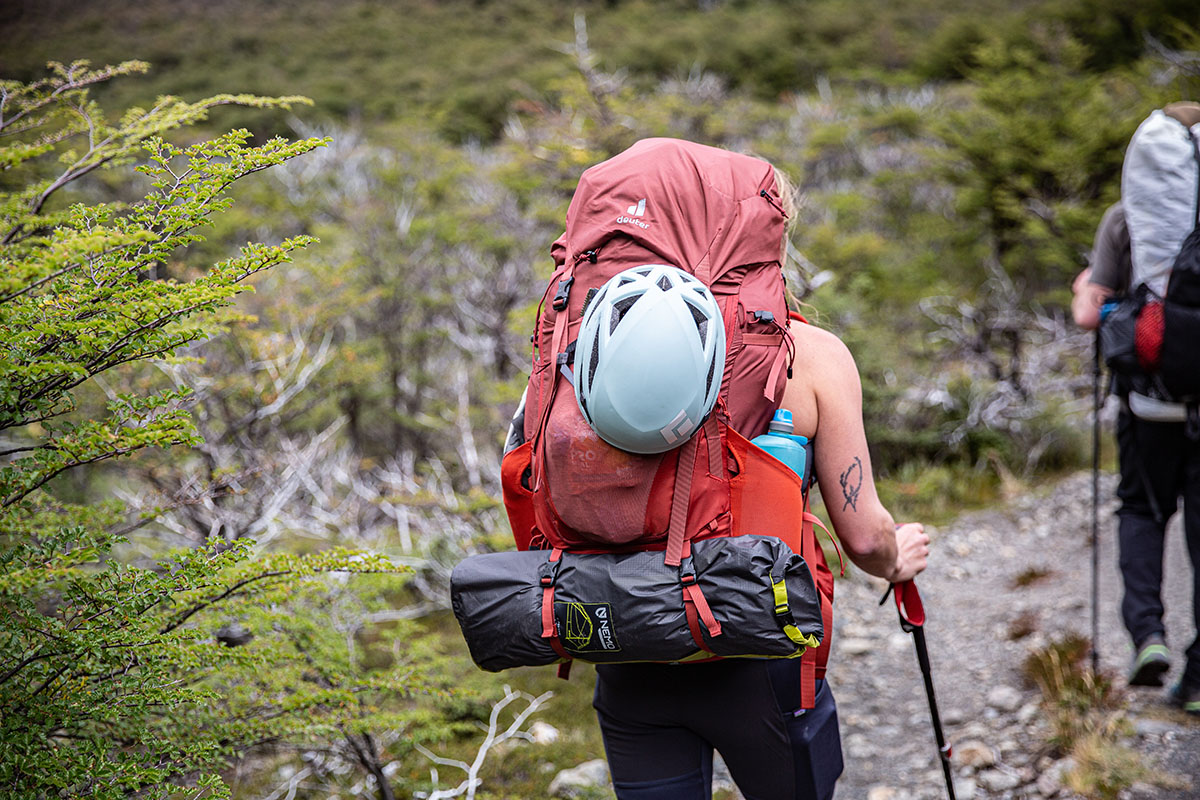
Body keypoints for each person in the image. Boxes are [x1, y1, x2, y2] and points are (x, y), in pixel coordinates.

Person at [589, 170, 931, 800]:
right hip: (760, 652)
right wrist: (896, 557)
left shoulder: (587, 346)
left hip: (627, 642)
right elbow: (861, 534)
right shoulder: (808, 353)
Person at [1070, 101, 1200, 715]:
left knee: (1143, 511)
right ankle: (1198, 677)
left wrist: (1085, 288)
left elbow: (1088, 312)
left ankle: (1148, 635)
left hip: (1148, 405)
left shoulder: (1128, 217)